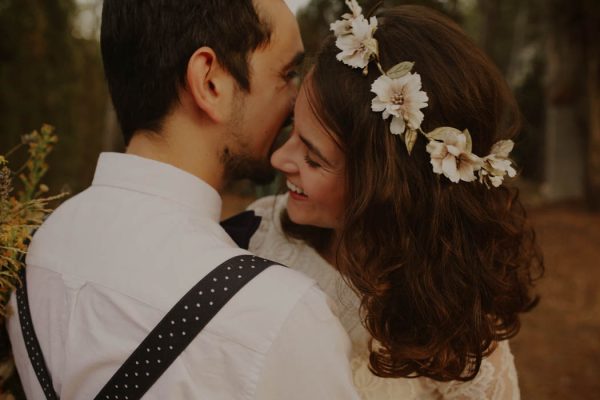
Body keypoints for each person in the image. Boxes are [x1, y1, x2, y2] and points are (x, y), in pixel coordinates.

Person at [6, 1, 362, 399]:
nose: (299, 104)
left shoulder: (34, 251)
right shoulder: (281, 318)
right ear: (210, 82)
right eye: (287, 74)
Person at [248, 2, 544, 399]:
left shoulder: (455, 327)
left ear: (387, 186)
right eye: (292, 129)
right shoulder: (254, 237)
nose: (278, 159)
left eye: (313, 157)